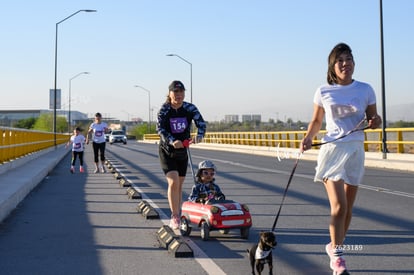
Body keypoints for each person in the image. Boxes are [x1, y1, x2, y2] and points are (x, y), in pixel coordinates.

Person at [300, 43, 382, 275]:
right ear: (333, 66)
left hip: (355, 151)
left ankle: (334, 246)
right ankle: (338, 258)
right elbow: (316, 122)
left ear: (354, 63)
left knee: (348, 209)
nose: (345, 64)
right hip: (332, 151)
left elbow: (374, 118)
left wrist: (376, 121)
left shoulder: (366, 89)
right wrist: (308, 138)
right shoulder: (324, 91)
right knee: (338, 207)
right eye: (340, 60)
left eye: (349, 59)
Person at [157, 80, 207, 229]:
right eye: (175, 92)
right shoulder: (165, 109)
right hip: (167, 150)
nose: (178, 95)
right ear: (170, 93)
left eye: (181, 92)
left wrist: (199, 135)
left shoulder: (189, 108)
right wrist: (172, 141)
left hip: (183, 151)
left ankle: (178, 211)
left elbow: (201, 124)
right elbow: (160, 129)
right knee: (173, 182)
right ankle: (175, 216)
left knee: (179, 185)